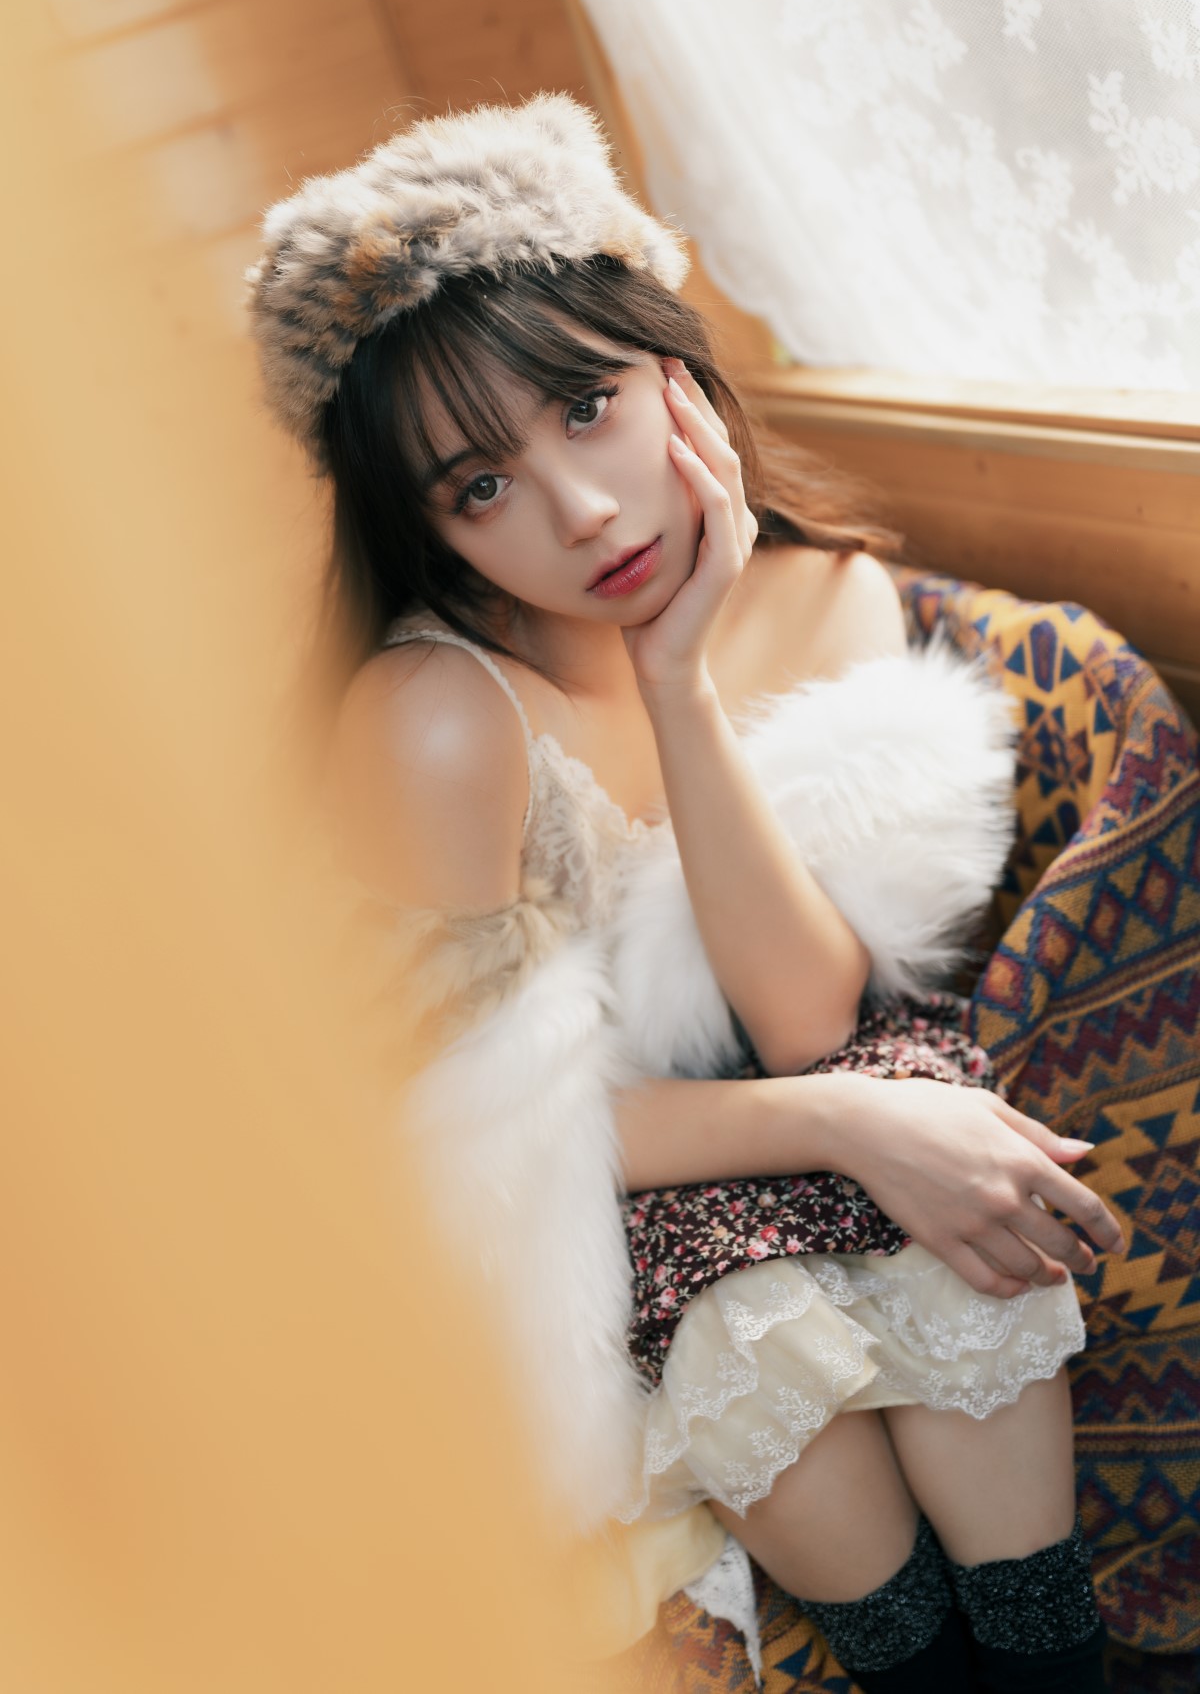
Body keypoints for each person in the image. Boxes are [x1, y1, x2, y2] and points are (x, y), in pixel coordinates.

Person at [247, 94, 1125, 1693]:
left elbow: (804, 1019)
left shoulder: (829, 601)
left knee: (929, 1176)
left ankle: (1046, 1653)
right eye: (480, 486)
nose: (582, 511)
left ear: (675, 369)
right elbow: (474, 1141)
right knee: (782, 1253)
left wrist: (681, 690)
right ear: (423, 531)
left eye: (586, 407)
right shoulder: (439, 719)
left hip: (739, 1127)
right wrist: (848, 1123)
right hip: (537, 1216)